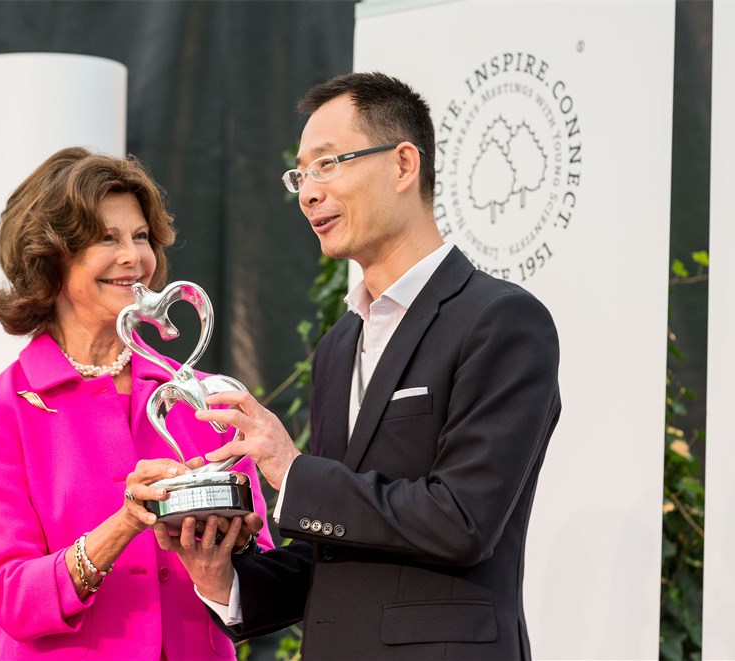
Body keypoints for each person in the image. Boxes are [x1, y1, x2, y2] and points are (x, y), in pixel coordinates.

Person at [155, 73, 562, 660]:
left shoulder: (501, 321)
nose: (308, 192)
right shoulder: (339, 346)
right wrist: (226, 579)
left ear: (402, 165)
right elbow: (340, 548)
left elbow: (463, 518)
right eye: (301, 174)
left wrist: (291, 471)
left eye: (329, 164)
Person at [0, 147, 272, 660]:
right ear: (50, 255)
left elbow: (260, 575)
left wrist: (225, 551)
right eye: (107, 238)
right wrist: (126, 522)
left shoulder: (207, 396)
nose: (134, 258)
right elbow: (10, 595)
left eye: (141, 237)